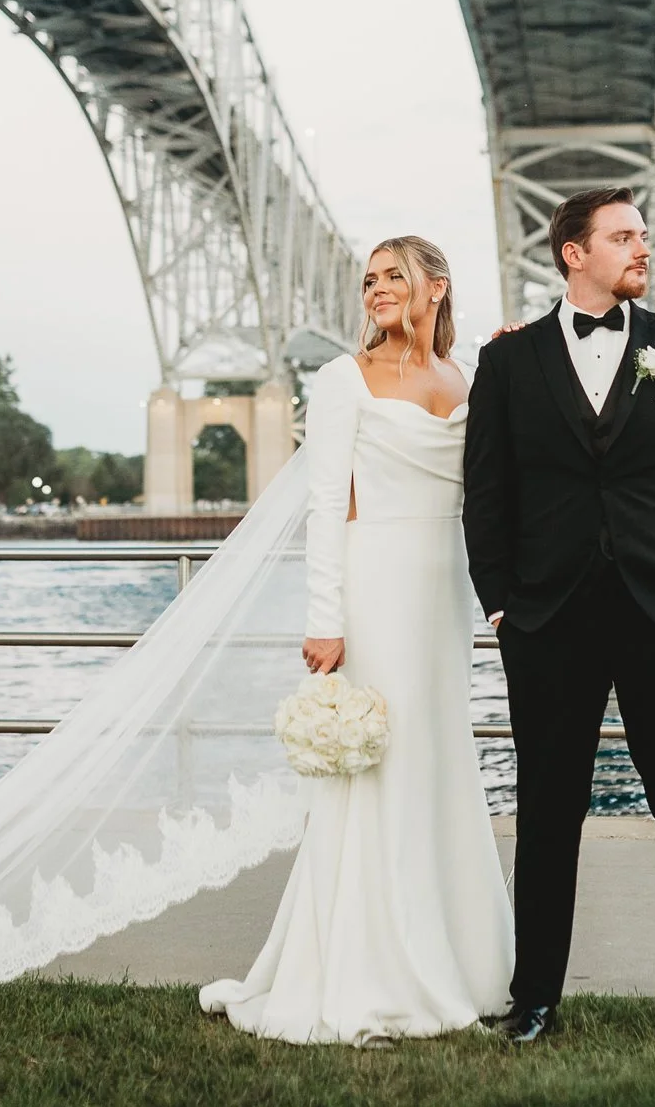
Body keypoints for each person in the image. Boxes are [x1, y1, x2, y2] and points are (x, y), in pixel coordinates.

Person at [201, 237, 515, 1043]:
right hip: (374, 588)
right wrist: (325, 618)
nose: (376, 290)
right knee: (381, 768)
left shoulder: (467, 379)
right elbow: (323, 506)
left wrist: (519, 360)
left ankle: (457, 960)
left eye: (393, 277)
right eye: (368, 279)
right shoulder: (343, 379)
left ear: (436, 288)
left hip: (442, 592)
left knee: (438, 761)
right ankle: (366, 968)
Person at [462, 187, 655, 1045]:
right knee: (548, 812)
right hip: (548, 619)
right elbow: (488, 492)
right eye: (622, 235)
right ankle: (536, 1000)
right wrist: (502, 602)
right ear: (572, 253)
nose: (641, 246)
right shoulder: (508, 363)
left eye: (644, 234)